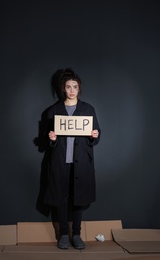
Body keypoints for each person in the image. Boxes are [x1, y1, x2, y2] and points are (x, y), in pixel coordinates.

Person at [43, 68, 101, 249]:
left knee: (79, 199)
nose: (72, 90)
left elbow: (97, 137)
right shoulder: (54, 110)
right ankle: (63, 235)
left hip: (81, 163)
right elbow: (47, 140)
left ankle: (76, 234)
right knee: (60, 198)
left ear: (79, 88)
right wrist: (50, 138)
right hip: (61, 162)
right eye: (68, 87)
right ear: (63, 89)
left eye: (75, 86)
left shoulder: (88, 109)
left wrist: (94, 135)